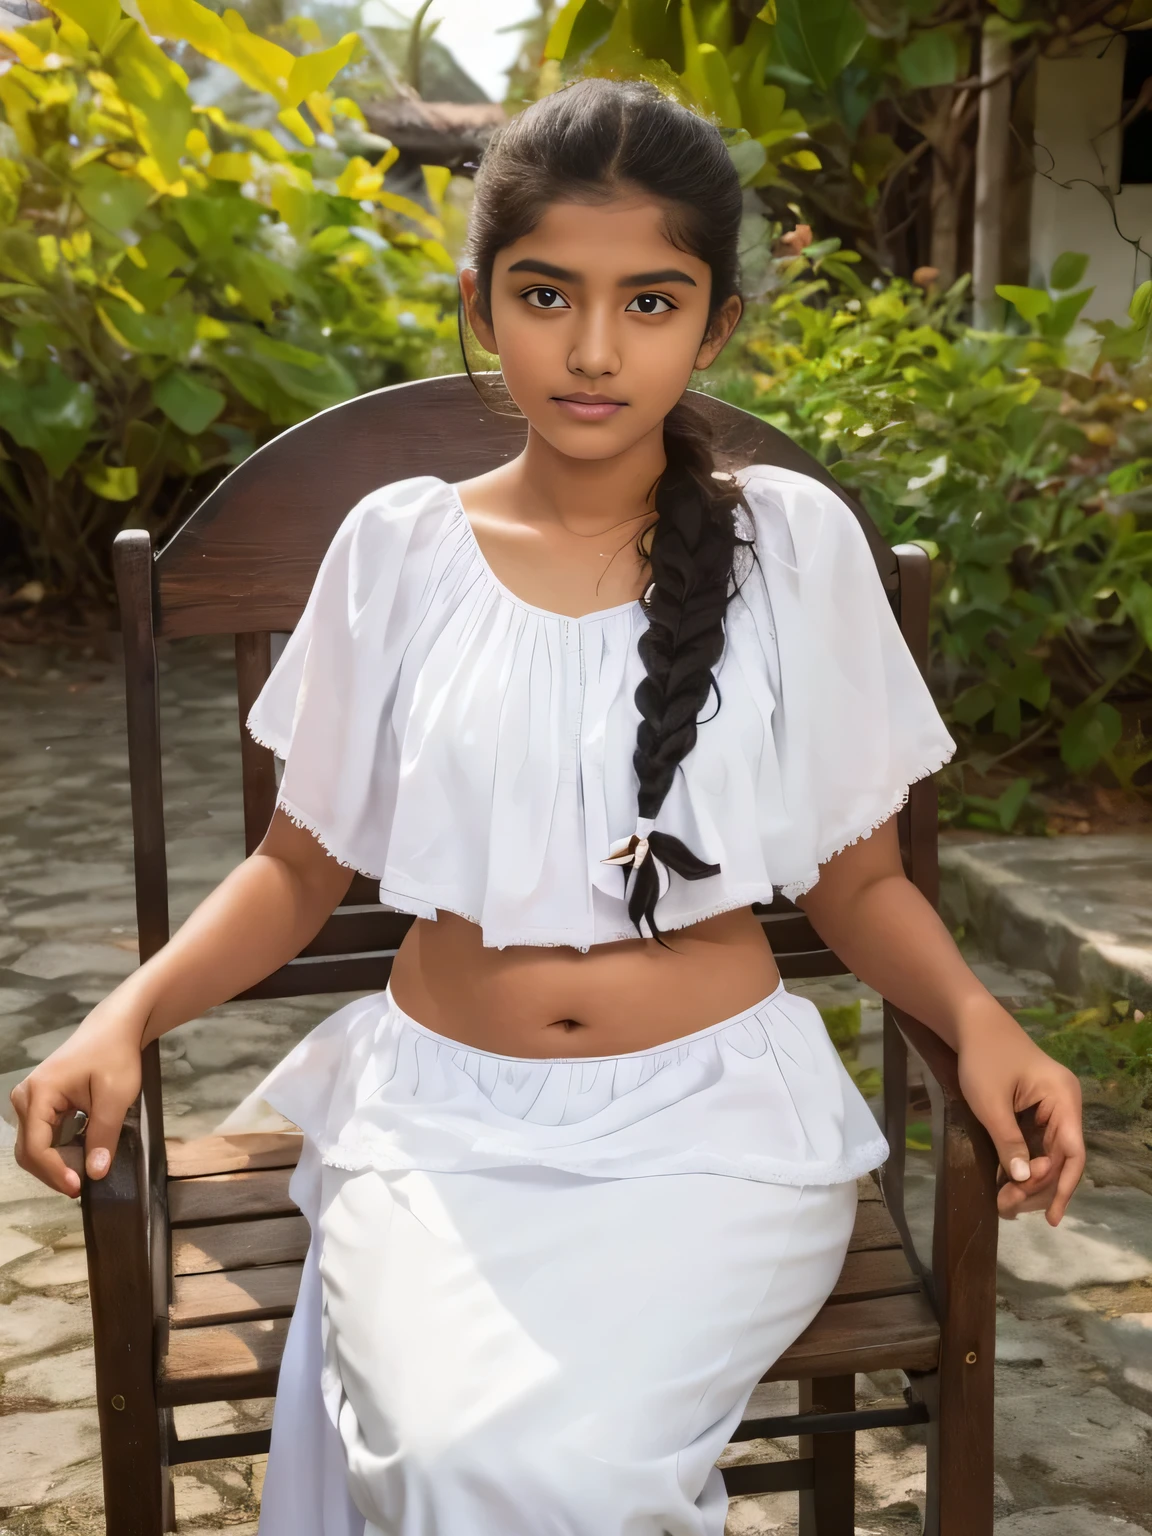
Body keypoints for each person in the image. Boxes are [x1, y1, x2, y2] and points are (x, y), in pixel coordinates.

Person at [12, 77, 1084, 1536]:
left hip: (713, 1130)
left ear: (715, 326)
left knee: (563, 1476)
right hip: (442, 1127)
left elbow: (859, 880)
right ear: (479, 302)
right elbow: (296, 865)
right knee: (458, 1461)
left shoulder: (792, 545)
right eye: (546, 295)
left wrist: (985, 1023)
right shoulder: (394, 552)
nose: (592, 350)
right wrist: (121, 1016)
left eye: (650, 303)